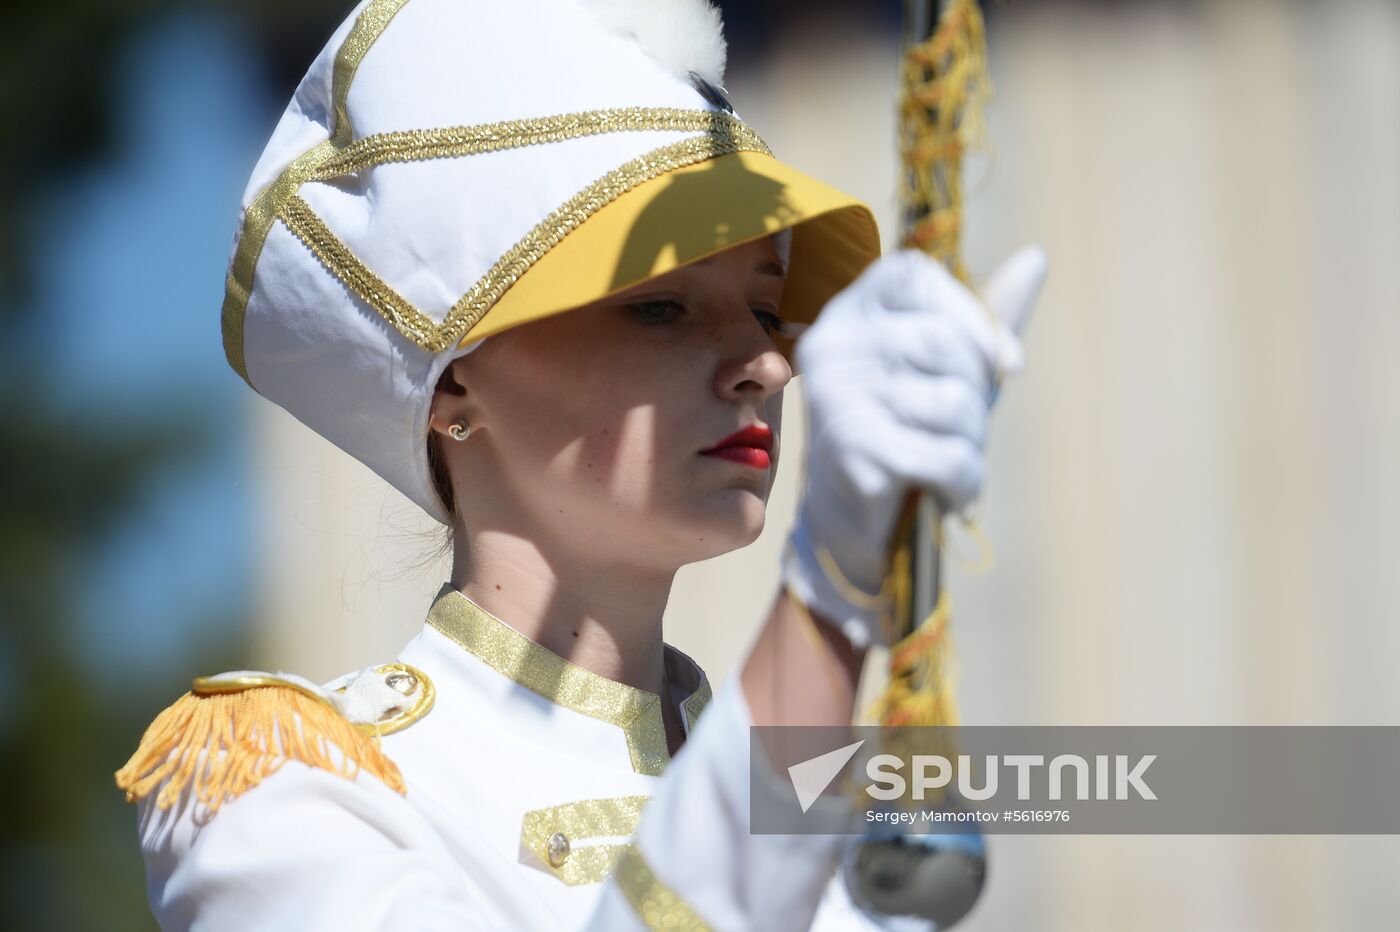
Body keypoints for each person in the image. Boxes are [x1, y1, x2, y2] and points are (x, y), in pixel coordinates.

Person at [115, 0, 1047, 929]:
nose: (765, 363)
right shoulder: (278, 792)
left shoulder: (844, 822)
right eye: (660, 307)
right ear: (453, 392)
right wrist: (830, 600)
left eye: (769, 314)